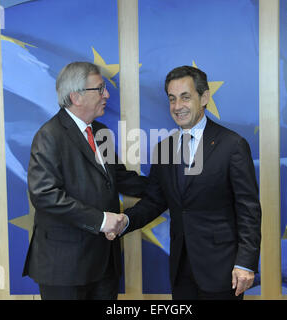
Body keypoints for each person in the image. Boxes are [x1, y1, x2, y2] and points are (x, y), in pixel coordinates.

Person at [111, 66, 261, 300]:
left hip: (223, 269)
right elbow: (155, 200)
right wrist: (125, 221)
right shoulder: (164, 148)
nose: (177, 106)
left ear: (204, 98)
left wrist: (246, 263)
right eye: (172, 99)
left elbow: (248, 209)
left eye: (185, 97)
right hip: (181, 270)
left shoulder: (232, 145)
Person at [22, 61, 148, 300]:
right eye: (100, 89)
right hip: (65, 268)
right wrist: (101, 220)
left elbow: (119, 177)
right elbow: (44, 195)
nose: (107, 95)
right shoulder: (49, 135)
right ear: (76, 97)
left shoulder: (100, 133)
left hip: (103, 264)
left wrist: (169, 186)